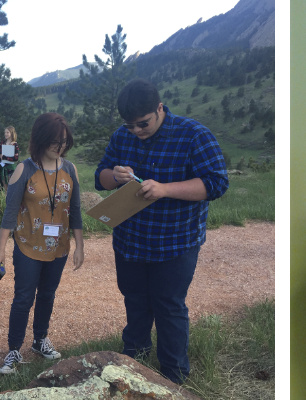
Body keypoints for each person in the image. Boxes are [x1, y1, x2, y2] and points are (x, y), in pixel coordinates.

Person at [94, 79, 228, 383]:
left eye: (143, 124)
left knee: (168, 307)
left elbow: (216, 183)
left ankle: (173, 376)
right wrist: (113, 176)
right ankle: (134, 363)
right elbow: (99, 177)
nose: (136, 131)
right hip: (129, 241)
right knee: (135, 300)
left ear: (159, 108)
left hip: (176, 243)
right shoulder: (122, 136)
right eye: (130, 126)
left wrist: (165, 189)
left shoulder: (193, 135)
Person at [0, 113, 86, 374]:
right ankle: (14, 350)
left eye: (64, 141)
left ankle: (40, 340)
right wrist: (0, 250)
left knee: (47, 294)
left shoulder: (70, 170)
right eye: (54, 141)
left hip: (59, 247)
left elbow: (74, 210)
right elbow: (9, 214)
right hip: (28, 246)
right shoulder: (25, 169)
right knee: (23, 298)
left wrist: (80, 246)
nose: (60, 146)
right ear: (41, 139)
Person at [0, 126, 20, 191]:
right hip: (2, 167)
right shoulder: (2, 143)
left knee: (11, 187)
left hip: (11, 168)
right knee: (4, 187)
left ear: (12, 133)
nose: (6, 134)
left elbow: (16, 158)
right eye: (5, 132)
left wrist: (5, 157)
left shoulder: (15, 145)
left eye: (7, 132)